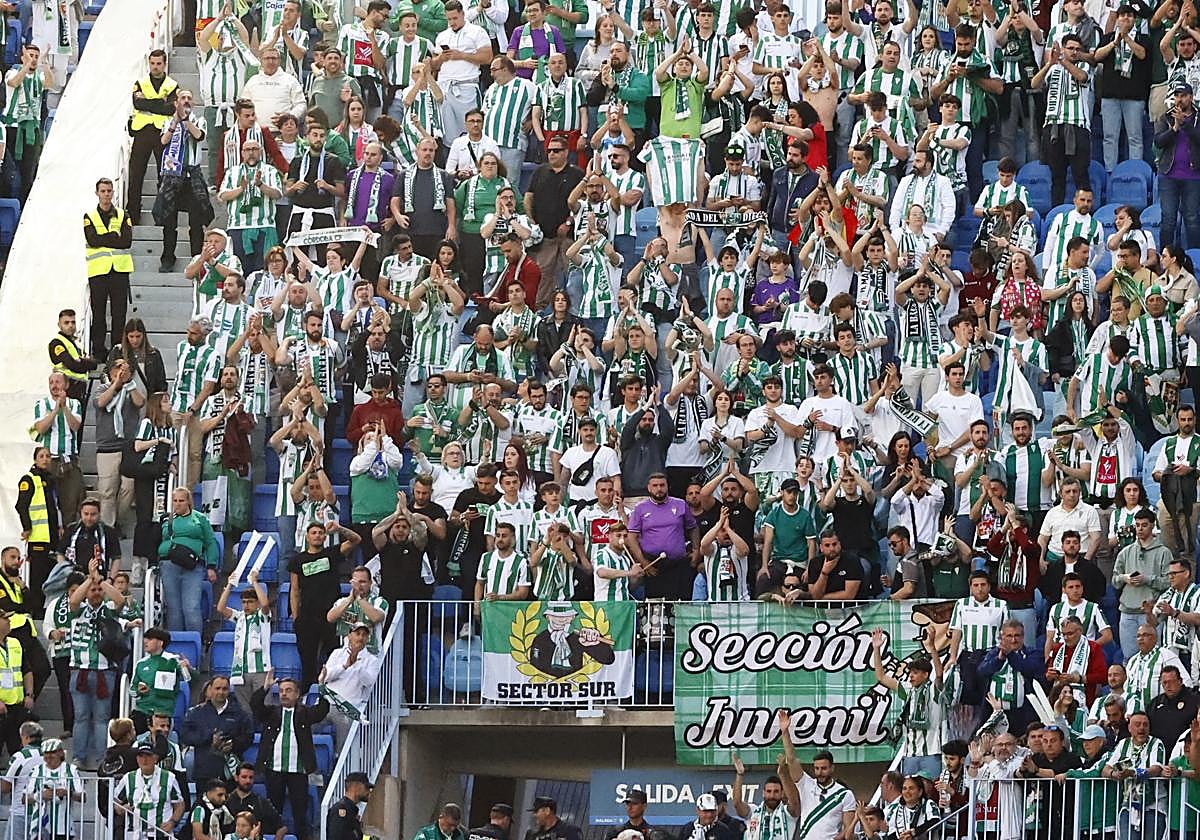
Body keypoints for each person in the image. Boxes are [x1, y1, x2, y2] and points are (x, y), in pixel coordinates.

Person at [251, 674, 330, 840]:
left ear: (297, 694)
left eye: (288, 691)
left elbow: (322, 710)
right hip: (273, 769)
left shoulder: (304, 713)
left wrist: (322, 687)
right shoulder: (271, 713)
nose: (284, 694)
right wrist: (265, 688)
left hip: (299, 771)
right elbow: (255, 705)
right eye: (281, 691)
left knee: (300, 813)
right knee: (273, 811)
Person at [154, 89, 212, 273]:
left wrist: (185, 120)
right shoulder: (167, 121)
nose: (186, 101)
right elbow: (163, 140)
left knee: (196, 221)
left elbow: (199, 136)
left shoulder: (199, 120)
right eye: (183, 98)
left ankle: (196, 258)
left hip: (192, 174)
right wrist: (175, 122)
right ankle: (168, 258)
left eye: (189, 98)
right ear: (176, 102)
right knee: (169, 220)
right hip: (172, 176)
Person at [156, 487, 221, 633]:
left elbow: (210, 542)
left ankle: (195, 643)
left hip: (193, 566)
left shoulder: (200, 518)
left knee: (191, 607)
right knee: (174, 609)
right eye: (175, 501)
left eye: (181, 500)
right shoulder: (166, 519)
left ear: (188, 502)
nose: (178, 504)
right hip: (169, 564)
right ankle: (176, 646)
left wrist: (211, 566)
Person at [626, 473, 699, 600]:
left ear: (667, 486)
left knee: (680, 602)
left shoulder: (680, 504)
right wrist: (644, 562)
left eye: (662, 485)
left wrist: (696, 550)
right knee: (655, 605)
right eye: (655, 485)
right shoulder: (640, 508)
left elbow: (693, 527)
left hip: (678, 564)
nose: (659, 489)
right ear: (649, 488)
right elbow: (631, 537)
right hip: (653, 565)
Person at [83, 178, 135, 358]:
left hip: (119, 270)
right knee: (98, 313)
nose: (106, 194)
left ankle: (117, 349)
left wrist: (104, 237)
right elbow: (92, 240)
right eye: (103, 191)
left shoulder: (123, 215)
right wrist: (113, 236)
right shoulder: (89, 216)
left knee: (119, 312)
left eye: (109, 191)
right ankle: (98, 349)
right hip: (98, 271)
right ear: (97, 193)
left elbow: (126, 241)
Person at [1114, 509, 1173, 661]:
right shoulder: (1125, 552)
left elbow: (1169, 582)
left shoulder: (1164, 552)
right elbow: (1114, 580)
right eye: (1137, 525)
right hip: (1127, 612)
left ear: (1152, 526)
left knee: (1154, 656)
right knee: (1129, 658)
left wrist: (1147, 579)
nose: (1140, 529)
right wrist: (1124, 578)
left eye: (1144, 525)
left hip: (1151, 613)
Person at [127, 49, 178, 222]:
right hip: (142, 132)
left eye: (159, 64)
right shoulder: (140, 82)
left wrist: (149, 105)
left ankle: (162, 214)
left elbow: (171, 108)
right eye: (152, 63)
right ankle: (133, 214)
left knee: (163, 175)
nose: (155, 67)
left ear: (164, 64)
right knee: (135, 175)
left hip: (162, 133)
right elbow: (137, 102)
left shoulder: (172, 85)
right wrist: (159, 103)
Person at [1102, 711, 1167, 840]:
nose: (1142, 728)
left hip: (1153, 806)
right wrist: (1115, 774)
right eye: (1137, 724)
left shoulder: (1156, 743)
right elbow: (1105, 769)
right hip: (1129, 805)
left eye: (1145, 725)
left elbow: (1156, 769)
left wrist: (1133, 773)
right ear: (1129, 728)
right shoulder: (1123, 744)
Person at [179, 675, 254, 787]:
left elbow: (248, 737)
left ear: (229, 690)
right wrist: (209, 738)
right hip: (204, 773)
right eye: (217, 688)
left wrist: (234, 744)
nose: (221, 692)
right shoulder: (196, 713)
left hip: (230, 774)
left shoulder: (240, 714)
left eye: (225, 689)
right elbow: (185, 735)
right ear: (210, 690)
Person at [32, 372, 83, 527]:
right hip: (49, 462)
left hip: (69, 461)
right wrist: (55, 409)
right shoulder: (41, 404)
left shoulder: (75, 404)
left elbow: (75, 426)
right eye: (51, 382)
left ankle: (67, 543)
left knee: (71, 505)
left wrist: (64, 407)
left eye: (58, 382)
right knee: (48, 505)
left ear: (66, 385)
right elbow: (40, 428)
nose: (54, 386)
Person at [1155, 80, 1200, 250]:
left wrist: (1185, 124)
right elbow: (1158, 142)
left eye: (1183, 96)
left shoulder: (1198, 117)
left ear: (1191, 97)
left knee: (1193, 219)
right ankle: (1165, 259)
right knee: (1168, 220)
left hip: (1194, 176)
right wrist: (1174, 128)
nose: (1179, 100)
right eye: (1176, 96)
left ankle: (1196, 259)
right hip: (1168, 175)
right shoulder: (1165, 117)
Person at [15, 448, 60, 618]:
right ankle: (36, 611)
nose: (46, 459)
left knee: (50, 575)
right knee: (38, 577)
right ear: (34, 459)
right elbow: (21, 506)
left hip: (51, 537)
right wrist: (27, 528)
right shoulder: (29, 480)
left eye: (48, 456)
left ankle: (46, 610)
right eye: (41, 456)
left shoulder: (50, 480)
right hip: (37, 537)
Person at [114, 743, 186, 838]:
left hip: (161, 835)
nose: (144, 760)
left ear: (155, 758)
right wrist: (121, 809)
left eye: (148, 756)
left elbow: (180, 804)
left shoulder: (169, 778)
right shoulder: (128, 778)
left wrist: (172, 822)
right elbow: (115, 801)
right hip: (135, 835)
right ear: (137, 759)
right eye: (141, 756)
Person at [130, 626, 190, 734]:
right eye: (145, 638)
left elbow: (191, 679)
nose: (145, 641)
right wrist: (139, 690)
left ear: (160, 643)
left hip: (163, 715)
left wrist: (187, 668)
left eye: (150, 639)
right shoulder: (141, 663)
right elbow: (132, 691)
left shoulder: (174, 660)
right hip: (142, 713)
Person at [326, 771, 373, 840]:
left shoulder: (351, 810)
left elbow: (358, 836)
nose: (369, 792)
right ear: (356, 787)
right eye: (366, 788)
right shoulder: (341, 810)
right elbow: (336, 837)